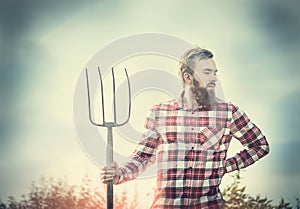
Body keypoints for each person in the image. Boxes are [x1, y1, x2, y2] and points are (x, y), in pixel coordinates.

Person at [100, 47, 270, 208]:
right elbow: (143, 156)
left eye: (215, 72)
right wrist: (119, 174)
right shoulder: (160, 112)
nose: (214, 78)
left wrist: (225, 166)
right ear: (187, 77)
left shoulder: (228, 112)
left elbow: (260, 146)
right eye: (206, 72)